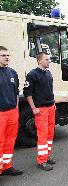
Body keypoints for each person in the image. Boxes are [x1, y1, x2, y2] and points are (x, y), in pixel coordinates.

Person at [23, 52, 56, 171]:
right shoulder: (32, 75)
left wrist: (54, 104)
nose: (49, 61)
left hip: (51, 107)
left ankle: (47, 156)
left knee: (50, 134)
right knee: (42, 135)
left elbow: (50, 90)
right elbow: (27, 93)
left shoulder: (48, 73)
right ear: (39, 61)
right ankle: (42, 161)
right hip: (40, 109)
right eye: (47, 59)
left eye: (49, 59)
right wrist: (33, 108)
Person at [0, 46, 23, 176]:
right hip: (1, 114)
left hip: (12, 112)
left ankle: (7, 166)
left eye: (8, 55)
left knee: (10, 140)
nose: (7, 57)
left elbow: (16, 93)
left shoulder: (12, 72)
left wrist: (16, 108)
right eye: (3, 55)